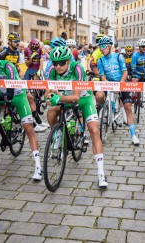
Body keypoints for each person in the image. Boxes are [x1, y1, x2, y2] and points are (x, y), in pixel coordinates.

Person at [0, 44, 43, 181]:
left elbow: (10, 94)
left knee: (29, 129)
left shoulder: (7, 66)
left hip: (17, 95)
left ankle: (38, 167)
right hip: (1, 94)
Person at [45, 46, 108, 188]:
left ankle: (101, 173)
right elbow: (46, 94)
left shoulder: (77, 68)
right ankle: (59, 133)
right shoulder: (52, 70)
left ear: (68, 61)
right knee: (50, 113)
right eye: (55, 63)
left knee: (94, 131)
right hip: (65, 99)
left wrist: (59, 96)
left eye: (61, 63)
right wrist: (50, 97)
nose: (58, 66)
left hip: (83, 100)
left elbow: (76, 96)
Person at [95, 36, 140, 146]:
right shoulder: (100, 60)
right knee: (99, 95)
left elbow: (124, 73)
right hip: (109, 84)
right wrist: (107, 84)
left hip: (121, 82)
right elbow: (102, 76)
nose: (101, 49)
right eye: (100, 47)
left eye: (104, 46)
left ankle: (133, 135)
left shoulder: (119, 56)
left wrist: (120, 84)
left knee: (128, 106)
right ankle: (102, 110)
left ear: (110, 46)